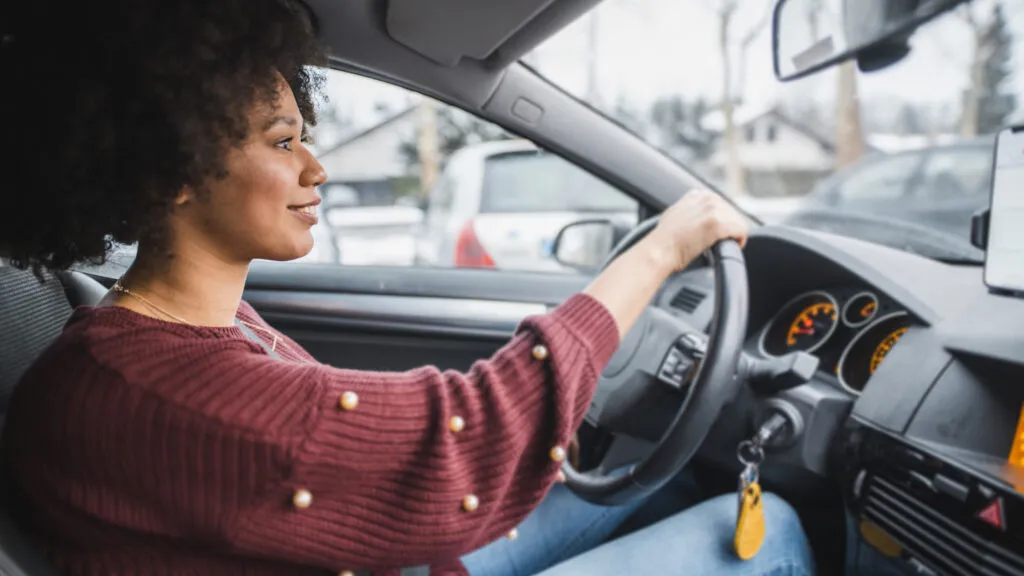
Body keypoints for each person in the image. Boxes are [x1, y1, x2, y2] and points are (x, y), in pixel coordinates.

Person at [0, 1, 815, 574]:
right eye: (284, 142)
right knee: (769, 525)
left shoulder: (197, 332)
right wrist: (661, 250)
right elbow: (462, 443)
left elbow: (360, 444)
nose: (317, 168)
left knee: (666, 470)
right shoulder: (150, 393)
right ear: (166, 169)